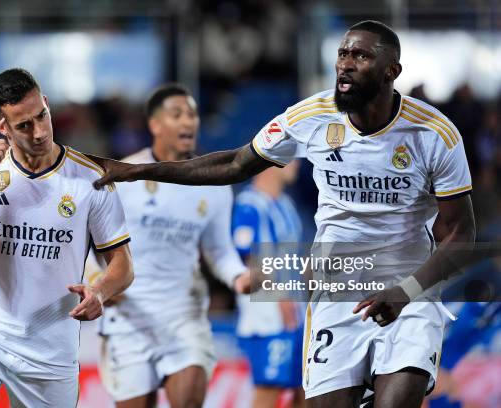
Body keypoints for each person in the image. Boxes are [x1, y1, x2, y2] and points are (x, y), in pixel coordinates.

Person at [92, 20, 476, 408]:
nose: (346, 63)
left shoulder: (435, 134)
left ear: (392, 71)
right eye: (343, 54)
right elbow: (234, 164)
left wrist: (407, 292)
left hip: (407, 295)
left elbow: (460, 234)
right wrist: (140, 170)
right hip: (336, 297)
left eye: (361, 55)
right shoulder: (309, 116)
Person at [0, 68, 134, 408]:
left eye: (42, 115)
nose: (39, 131)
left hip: (50, 347)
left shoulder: (90, 180)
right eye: (24, 125)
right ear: (2, 128)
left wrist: (100, 290)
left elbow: (123, 266)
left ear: (47, 104)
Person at [95, 83, 250, 408]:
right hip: (128, 316)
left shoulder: (214, 185)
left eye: (192, 114)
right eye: (177, 114)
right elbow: (87, 241)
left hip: (184, 314)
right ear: (154, 124)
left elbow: (219, 250)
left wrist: (239, 277)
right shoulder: (123, 178)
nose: (188, 122)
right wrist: (100, 286)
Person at [231, 161, 306, 408]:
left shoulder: (286, 204)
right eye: (292, 156)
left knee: (305, 386)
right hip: (267, 312)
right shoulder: (249, 204)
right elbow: (250, 259)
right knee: (269, 386)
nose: (297, 163)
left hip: (296, 309)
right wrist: (281, 295)